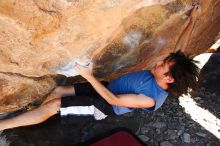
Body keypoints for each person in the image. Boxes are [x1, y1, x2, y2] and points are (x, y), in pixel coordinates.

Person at [0, 51, 199, 131]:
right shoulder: (165, 76)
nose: (158, 63)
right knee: (59, 90)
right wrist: (193, 17)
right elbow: (181, 53)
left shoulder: (150, 99)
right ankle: (36, 117)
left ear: (169, 78)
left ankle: (4, 125)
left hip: (104, 106)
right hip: (105, 88)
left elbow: (113, 101)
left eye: (163, 64)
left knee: (55, 105)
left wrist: (88, 75)